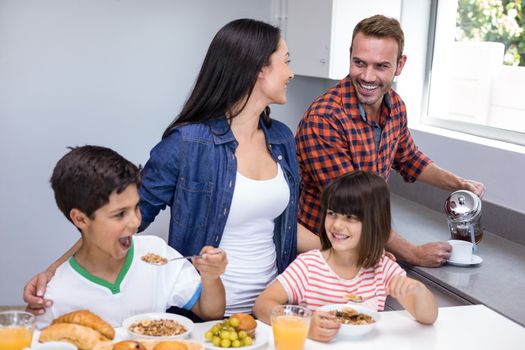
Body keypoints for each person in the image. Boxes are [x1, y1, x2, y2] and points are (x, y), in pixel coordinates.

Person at [24, 18, 318, 317]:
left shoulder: (280, 138)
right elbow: (126, 218)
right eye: (286, 61)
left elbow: (283, 227)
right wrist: (54, 272)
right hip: (205, 315)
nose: (291, 73)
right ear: (259, 69)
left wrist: (348, 249)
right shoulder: (187, 143)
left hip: (270, 313)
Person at [295, 15, 486, 268]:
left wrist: (459, 184)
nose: (367, 76)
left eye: (381, 66)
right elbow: (354, 205)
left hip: (366, 245)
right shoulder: (325, 119)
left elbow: (409, 159)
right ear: (350, 55)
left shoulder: (394, 105)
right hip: (323, 257)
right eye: (359, 63)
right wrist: (413, 253)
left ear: (400, 64)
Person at [35, 145, 226, 328]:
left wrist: (211, 277)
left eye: (136, 207)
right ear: (81, 219)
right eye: (120, 214)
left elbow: (210, 312)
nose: (135, 222)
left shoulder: (157, 253)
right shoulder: (56, 295)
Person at [253, 171, 438, 342]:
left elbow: (428, 317)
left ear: (374, 224)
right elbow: (262, 305)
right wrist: (306, 325)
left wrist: (417, 290)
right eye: (332, 214)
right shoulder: (309, 266)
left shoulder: (383, 269)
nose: (337, 225)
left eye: (350, 218)